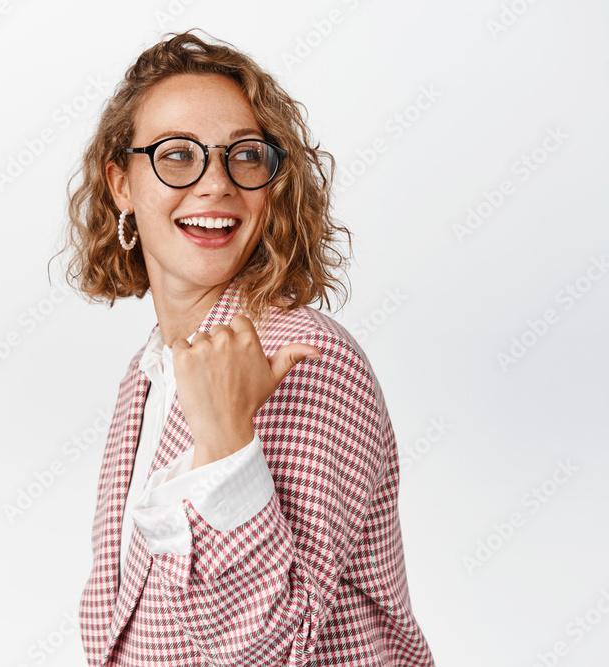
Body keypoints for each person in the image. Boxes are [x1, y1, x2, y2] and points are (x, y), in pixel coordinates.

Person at [58, 30, 435, 666]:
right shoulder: (147, 375)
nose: (215, 184)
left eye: (246, 156)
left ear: (272, 186)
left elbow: (272, 650)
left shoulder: (307, 358)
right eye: (177, 155)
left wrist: (227, 445)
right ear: (121, 184)